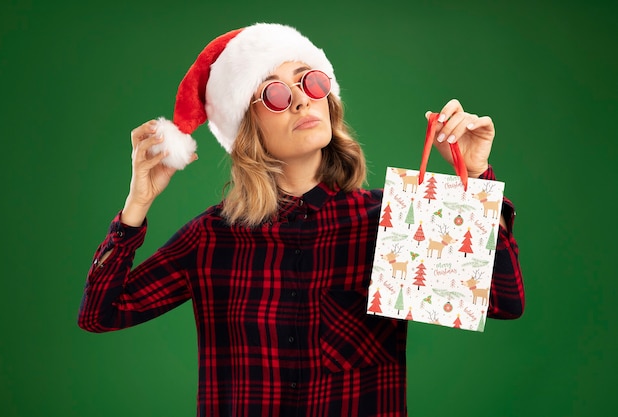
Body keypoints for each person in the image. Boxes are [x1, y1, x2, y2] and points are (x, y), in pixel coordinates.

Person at [78, 23, 524, 417]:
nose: (299, 102)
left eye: (309, 81)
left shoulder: (388, 218)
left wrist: (478, 178)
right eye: (274, 93)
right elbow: (101, 314)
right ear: (244, 128)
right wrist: (136, 205)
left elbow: (504, 300)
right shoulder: (210, 237)